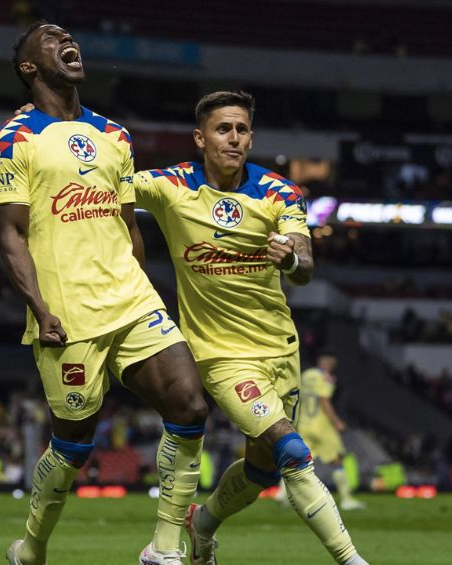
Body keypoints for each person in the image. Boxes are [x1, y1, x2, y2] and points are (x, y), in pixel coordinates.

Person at [0, 21, 208, 565]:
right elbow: (11, 234)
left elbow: (127, 222)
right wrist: (38, 309)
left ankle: (163, 548)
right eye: (49, 39)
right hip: (67, 314)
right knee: (73, 445)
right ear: (28, 67)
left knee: (189, 404)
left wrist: (145, 284)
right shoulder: (13, 140)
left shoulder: (116, 135)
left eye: (69, 37)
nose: (68, 42)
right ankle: (33, 545)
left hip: (132, 301)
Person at [133, 92, 369, 565]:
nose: (234, 138)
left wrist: (294, 260)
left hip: (280, 348)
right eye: (223, 129)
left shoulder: (279, 192)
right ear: (200, 138)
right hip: (219, 354)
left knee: (262, 473)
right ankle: (352, 560)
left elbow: (304, 261)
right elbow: (104, 190)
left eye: (241, 129)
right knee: (293, 451)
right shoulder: (170, 185)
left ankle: (202, 526)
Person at [277, 353, 365, 511]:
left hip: (305, 424)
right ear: (330, 363)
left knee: (297, 460)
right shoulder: (325, 377)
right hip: (322, 426)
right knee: (337, 459)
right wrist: (337, 422)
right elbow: (323, 400)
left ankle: (282, 492)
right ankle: (346, 498)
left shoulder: (305, 375)